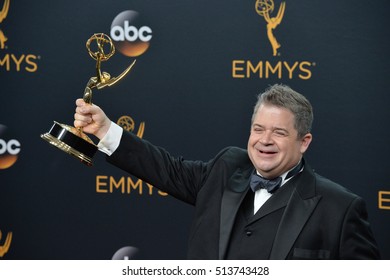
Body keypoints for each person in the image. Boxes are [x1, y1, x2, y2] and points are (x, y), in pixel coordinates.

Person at [74, 84, 380, 259]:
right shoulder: (226, 167)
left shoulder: (339, 208)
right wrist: (105, 130)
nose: (265, 141)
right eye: (258, 129)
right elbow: (165, 169)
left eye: (278, 133)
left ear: (304, 142)